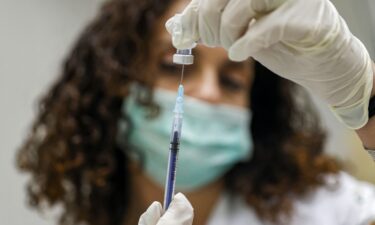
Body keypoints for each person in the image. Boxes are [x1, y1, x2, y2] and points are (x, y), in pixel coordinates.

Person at [16, 0, 375, 225]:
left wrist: (367, 98)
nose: (205, 92)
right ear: (117, 84)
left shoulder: (326, 212)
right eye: (173, 68)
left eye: (232, 82)